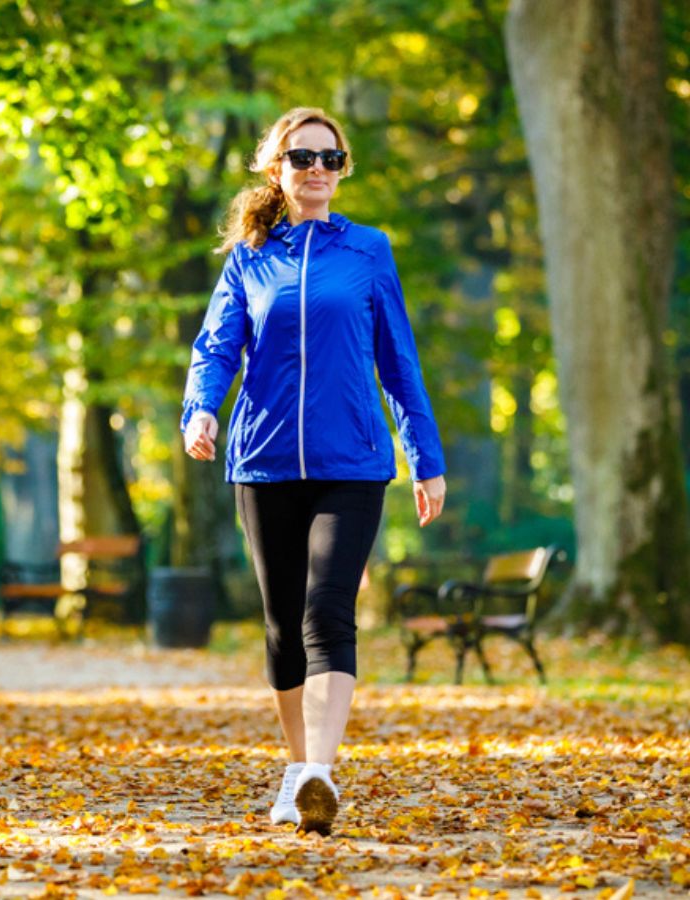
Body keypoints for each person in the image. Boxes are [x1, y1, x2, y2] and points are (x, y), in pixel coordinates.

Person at [181, 107, 447, 836]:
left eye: (331, 159)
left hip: (354, 461)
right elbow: (215, 349)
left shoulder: (367, 251)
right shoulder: (249, 258)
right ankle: (298, 770)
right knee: (282, 627)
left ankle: (322, 773)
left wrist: (425, 457)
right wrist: (200, 411)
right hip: (263, 462)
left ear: (343, 169)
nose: (318, 171)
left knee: (328, 611)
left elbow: (398, 360)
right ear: (278, 169)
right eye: (303, 158)